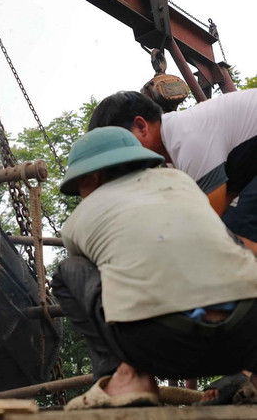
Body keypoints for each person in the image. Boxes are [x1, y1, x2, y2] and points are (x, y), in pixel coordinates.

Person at [54, 126, 257, 410]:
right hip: (246, 336)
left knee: (70, 270)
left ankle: (126, 378)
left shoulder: (75, 223)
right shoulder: (182, 183)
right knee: (233, 247)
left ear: (93, 176)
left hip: (161, 345)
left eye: (80, 187)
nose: (82, 196)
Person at [88, 89, 257, 254]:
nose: (121, 163)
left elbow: (209, 220)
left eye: (119, 147)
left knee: (233, 233)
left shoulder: (186, 137)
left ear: (141, 126)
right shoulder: (170, 159)